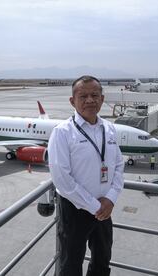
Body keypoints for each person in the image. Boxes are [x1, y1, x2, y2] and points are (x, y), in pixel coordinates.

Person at [48, 75, 124, 276]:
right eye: (83, 96)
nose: (90, 100)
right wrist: (95, 206)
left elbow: (118, 165)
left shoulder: (109, 128)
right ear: (73, 101)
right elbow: (62, 179)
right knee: (71, 264)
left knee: (102, 259)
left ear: (102, 98)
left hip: (105, 209)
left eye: (95, 95)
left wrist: (111, 198)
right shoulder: (62, 132)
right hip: (75, 210)